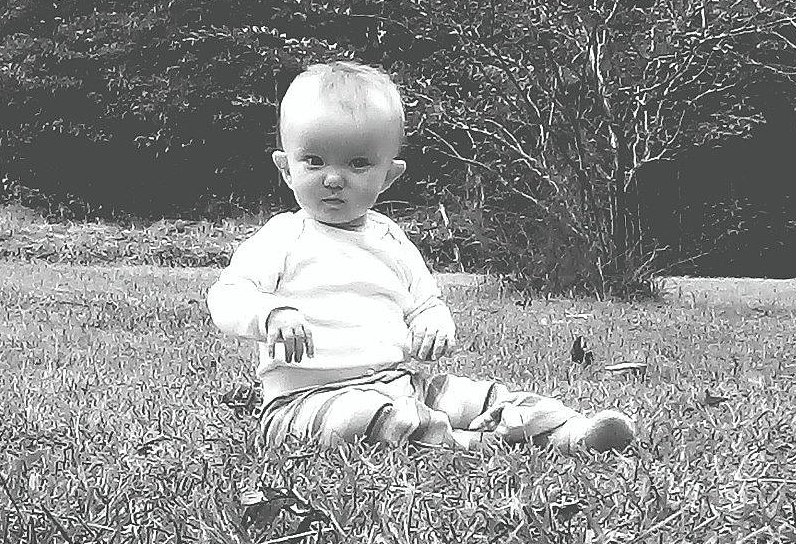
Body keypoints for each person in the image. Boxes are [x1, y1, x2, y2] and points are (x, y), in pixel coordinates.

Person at [207, 61, 637, 453]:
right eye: (314, 161)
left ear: (389, 176)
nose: (334, 178)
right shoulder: (284, 236)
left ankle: (568, 430)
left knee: (473, 395)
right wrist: (272, 314)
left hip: (400, 384)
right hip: (305, 402)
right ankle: (466, 443)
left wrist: (433, 322)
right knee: (357, 418)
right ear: (286, 168)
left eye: (358, 164)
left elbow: (425, 302)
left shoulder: (390, 240)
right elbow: (228, 296)